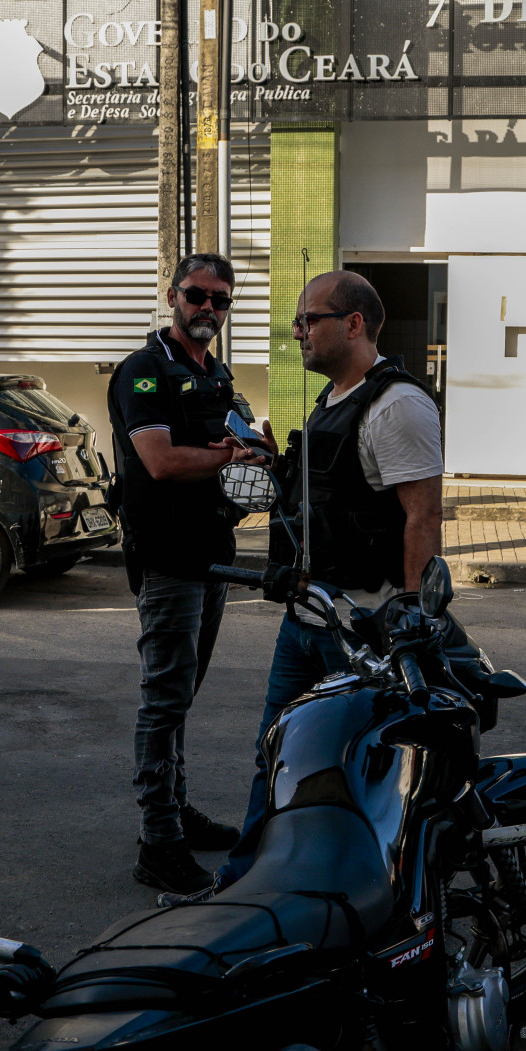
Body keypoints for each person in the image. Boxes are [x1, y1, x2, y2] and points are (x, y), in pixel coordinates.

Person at [212, 269, 444, 892]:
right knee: (276, 754)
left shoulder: (397, 405)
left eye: (309, 318)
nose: (298, 331)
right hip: (307, 616)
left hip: (364, 625)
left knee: (356, 765)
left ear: (354, 324)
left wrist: (415, 615)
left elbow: (422, 517)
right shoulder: (331, 401)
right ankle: (245, 889)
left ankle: (363, 894)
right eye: (297, 320)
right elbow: (325, 499)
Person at [108, 253, 265, 895]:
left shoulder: (218, 374)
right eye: (197, 295)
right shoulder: (144, 372)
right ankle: (159, 840)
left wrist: (251, 453)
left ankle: (174, 808)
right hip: (168, 556)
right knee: (164, 698)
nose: (207, 307)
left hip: (213, 552)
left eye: (220, 300)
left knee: (183, 694)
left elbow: (224, 453)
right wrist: (227, 454)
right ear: (172, 295)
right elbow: (162, 463)